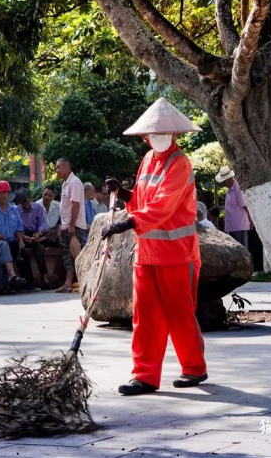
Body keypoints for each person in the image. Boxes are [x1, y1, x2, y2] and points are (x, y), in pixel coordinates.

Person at [102, 97, 207, 396]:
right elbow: (144, 199)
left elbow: (163, 205)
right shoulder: (147, 160)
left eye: (166, 133)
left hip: (177, 253)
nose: (160, 138)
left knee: (180, 313)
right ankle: (145, 376)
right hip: (146, 252)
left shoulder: (180, 163)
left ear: (175, 135)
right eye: (154, 134)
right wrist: (123, 193)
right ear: (146, 137)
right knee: (145, 316)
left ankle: (194, 368)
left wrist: (130, 221)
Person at [0, 181, 37, 291]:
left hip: (12, 241)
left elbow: (19, 228)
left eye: (5, 192)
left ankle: (27, 284)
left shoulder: (14, 209)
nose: (3, 195)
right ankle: (6, 284)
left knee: (23, 255)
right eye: (0, 193)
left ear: (9, 194)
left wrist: (21, 240)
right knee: (6, 250)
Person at [55, 158, 86, 292]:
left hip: (75, 225)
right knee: (67, 255)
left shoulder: (75, 182)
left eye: (59, 167)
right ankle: (68, 283)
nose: (57, 171)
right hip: (67, 225)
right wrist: (63, 225)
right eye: (56, 168)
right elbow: (66, 207)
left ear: (68, 167)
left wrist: (72, 226)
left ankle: (84, 283)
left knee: (76, 254)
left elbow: (76, 205)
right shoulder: (65, 183)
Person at [16, 188, 53, 289]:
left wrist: (39, 233)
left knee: (53, 232)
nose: (27, 206)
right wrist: (23, 237)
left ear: (31, 199)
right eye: (24, 204)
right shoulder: (16, 210)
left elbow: (42, 223)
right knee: (37, 248)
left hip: (36, 233)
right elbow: (15, 227)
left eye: (28, 203)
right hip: (22, 235)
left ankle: (44, 278)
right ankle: (28, 280)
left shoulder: (37, 207)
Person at [215, 166, 253, 248]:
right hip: (232, 226)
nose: (223, 184)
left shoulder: (237, 188)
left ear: (228, 180)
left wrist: (251, 220)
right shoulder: (229, 190)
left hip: (239, 225)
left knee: (241, 249)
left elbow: (245, 205)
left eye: (224, 181)